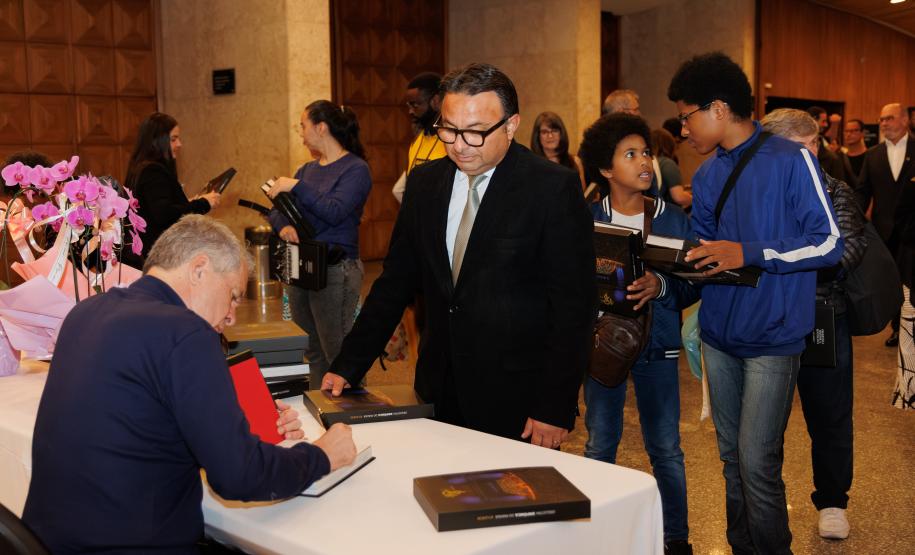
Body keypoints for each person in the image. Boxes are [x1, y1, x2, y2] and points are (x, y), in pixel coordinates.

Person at [22, 215, 357, 553]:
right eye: (234, 295)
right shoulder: (186, 333)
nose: (232, 316)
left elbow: (139, 427)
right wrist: (321, 455)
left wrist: (243, 431)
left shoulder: (85, 313)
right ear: (199, 269)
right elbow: (239, 477)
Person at [322, 62, 595, 447]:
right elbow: (395, 282)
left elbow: (573, 307)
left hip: (517, 396)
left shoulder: (551, 189)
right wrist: (350, 363)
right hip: (438, 386)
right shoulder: (425, 183)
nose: (459, 144)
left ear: (512, 125)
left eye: (475, 132)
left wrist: (554, 405)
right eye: (448, 129)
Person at [668, 52, 843, 554]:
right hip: (720, 334)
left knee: (756, 460)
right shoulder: (704, 177)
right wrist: (675, 261)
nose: (683, 128)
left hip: (773, 337)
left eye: (687, 115)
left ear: (719, 108)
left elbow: (828, 242)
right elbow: (706, 255)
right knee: (729, 458)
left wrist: (751, 253)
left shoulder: (792, 161)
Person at [578, 113, 698, 555]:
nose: (644, 162)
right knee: (599, 443)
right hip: (602, 348)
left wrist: (661, 285)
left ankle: (675, 539)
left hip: (659, 347)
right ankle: (597, 535)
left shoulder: (673, 219)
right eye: (630, 155)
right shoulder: (587, 219)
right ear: (607, 170)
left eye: (645, 152)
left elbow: (692, 281)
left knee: (666, 448)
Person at [761, 108, 867, 540]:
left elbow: (845, 251)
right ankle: (766, 502)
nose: (811, 155)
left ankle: (833, 501)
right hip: (769, 318)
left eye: (814, 145)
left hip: (824, 316)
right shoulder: (760, 194)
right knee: (766, 421)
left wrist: (776, 257)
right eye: (799, 148)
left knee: (829, 416)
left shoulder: (835, 191)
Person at [267, 100, 372, 391]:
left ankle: (351, 416)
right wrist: (284, 226)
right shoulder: (306, 169)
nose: (300, 132)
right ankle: (321, 410)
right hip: (303, 264)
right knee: (311, 348)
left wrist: (297, 187)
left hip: (336, 268)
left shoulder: (355, 169)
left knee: (338, 353)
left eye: (303, 125)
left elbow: (335, 211)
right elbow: (277, 209)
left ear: (321, 127)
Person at [855, 102, 915, 348]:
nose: (883, 123)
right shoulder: (873, 155)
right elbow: (862, 192)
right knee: (892, 282)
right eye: (881, 119)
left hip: (912, 231)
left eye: (889, 118)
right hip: (884, 231)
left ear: (904, 120)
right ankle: (897, 328)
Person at [125, 112, 221, 259]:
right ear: (157, 141)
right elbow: (165, 215)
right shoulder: (153, 171)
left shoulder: (141, 167)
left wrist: (186, 203)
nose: (179, 144)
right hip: (159, 255)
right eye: (173, 139)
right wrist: (204, 203)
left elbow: (155, 209)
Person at [393, 72, 448, 203]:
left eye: (415, 105)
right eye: (408, 106)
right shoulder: (418, 139)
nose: (410, 111)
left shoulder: (450, 141)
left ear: (435, 101)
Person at [529, 111, 585, 185]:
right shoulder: (530, 164)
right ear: (537, 136)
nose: (550, 136)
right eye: (545, 132)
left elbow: (582, 194)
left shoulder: (575, 162)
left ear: (561, 133)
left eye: (554, 131)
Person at [650, 127, 692, 209]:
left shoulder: (650, 163)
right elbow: (679, 197)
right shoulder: (667, 163)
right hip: (669, 215)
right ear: (669, 144)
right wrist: (696, 200)